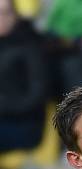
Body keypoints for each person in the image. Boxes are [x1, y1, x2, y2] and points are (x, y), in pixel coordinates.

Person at [0, 0, 47, 153]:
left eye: (4, 13)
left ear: (15, 15)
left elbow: (37, 93)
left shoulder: (30, 44)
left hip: (25, 124)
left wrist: (4, 105)